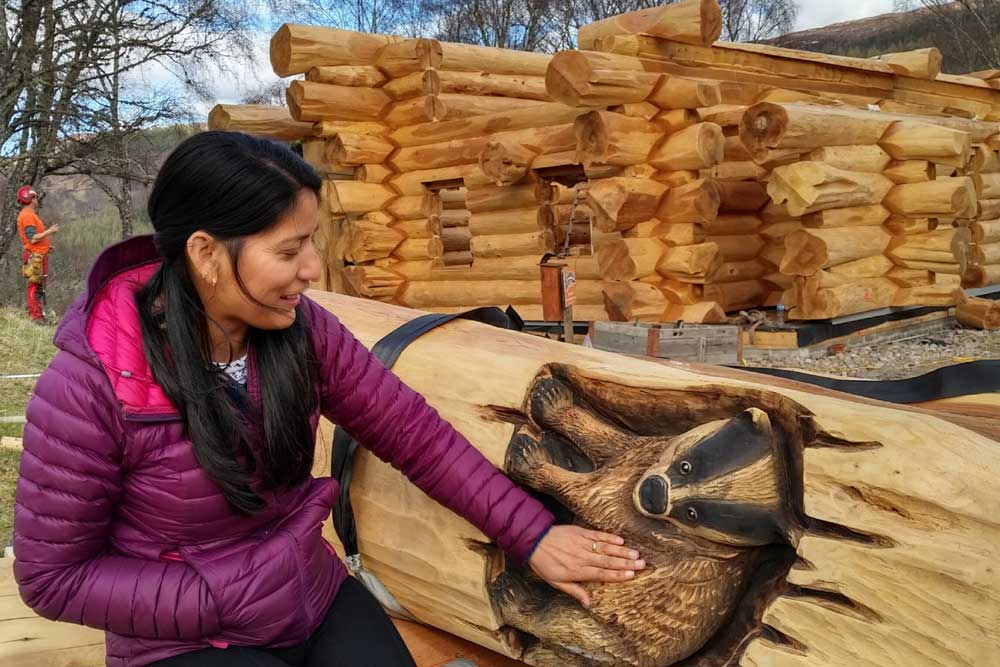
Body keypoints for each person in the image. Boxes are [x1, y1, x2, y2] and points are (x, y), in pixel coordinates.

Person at [13, 132, 646, 667]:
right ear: (205, 253)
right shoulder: (89, 386)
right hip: (181, 637)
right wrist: (220, 596)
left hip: (306, 592)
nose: (314, 268)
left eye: (311, 241)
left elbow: (414, 436)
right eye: (289, 250)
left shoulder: (304, 333)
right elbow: (52, 578)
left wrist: (532, 535)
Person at [16, 185, 59, 322]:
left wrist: (46, 246)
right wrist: (49, 231)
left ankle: (38, 315)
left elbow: (34, 238)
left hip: (39, 254)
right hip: (36, 257)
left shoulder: (29, 214)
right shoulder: (28, 216)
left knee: (38, 286)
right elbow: (32, 238)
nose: (38, 199)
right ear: (32, 199)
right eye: (35, 197)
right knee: (35, 287)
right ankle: (36, 317)